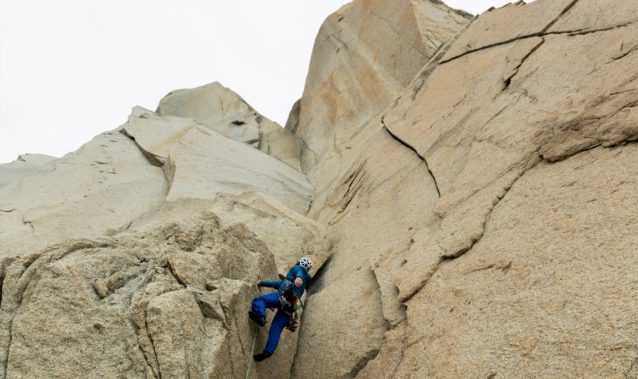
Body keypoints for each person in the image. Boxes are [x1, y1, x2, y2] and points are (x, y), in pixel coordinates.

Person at [248, 257, 313, 361]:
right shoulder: (302, 283)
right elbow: (276, 283)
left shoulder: (297, 269)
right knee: (277, 328)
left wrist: (299, 278)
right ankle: (268, 351)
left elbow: (299, 272)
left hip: (282, 296)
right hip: (291, 307)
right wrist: (262, 282)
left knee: (260, 301)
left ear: (298, 262)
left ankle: (261, 316)